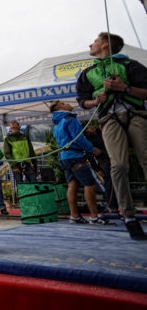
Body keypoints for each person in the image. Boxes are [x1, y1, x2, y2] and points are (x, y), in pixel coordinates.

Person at [76, 31, 147, 240]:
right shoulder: (88, 73)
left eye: (95, 41)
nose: (91, 44)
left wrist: (124, 88)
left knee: (146, 159)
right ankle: (128, 215)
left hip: (136, 114)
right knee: (119, 165)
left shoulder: (129, 65)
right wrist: (95, 101)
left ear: (105, 44)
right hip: (109, 118)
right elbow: (82, 101)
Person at [49, 100, 111, 225]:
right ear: (60, 108)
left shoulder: (57, 125)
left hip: (64, 157)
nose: (68, 104)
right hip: (75, 156)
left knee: (72, 185)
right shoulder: (71, 120)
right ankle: (94, 217)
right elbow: (79, 138)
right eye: (64, 103)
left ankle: (74, 216)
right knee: (90, 185)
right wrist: (93, 149)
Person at [83, 124, 118, 213]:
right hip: (104, 162)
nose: (91, 127)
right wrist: (97, 169)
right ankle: (111, 205)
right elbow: (90, 157)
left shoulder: (101, 133)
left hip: (114, 158)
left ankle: (122, 204)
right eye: (88, 128)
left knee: (119, 181)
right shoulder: (89, 141)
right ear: (87, 133)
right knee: (109, 184)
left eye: (90, 126)